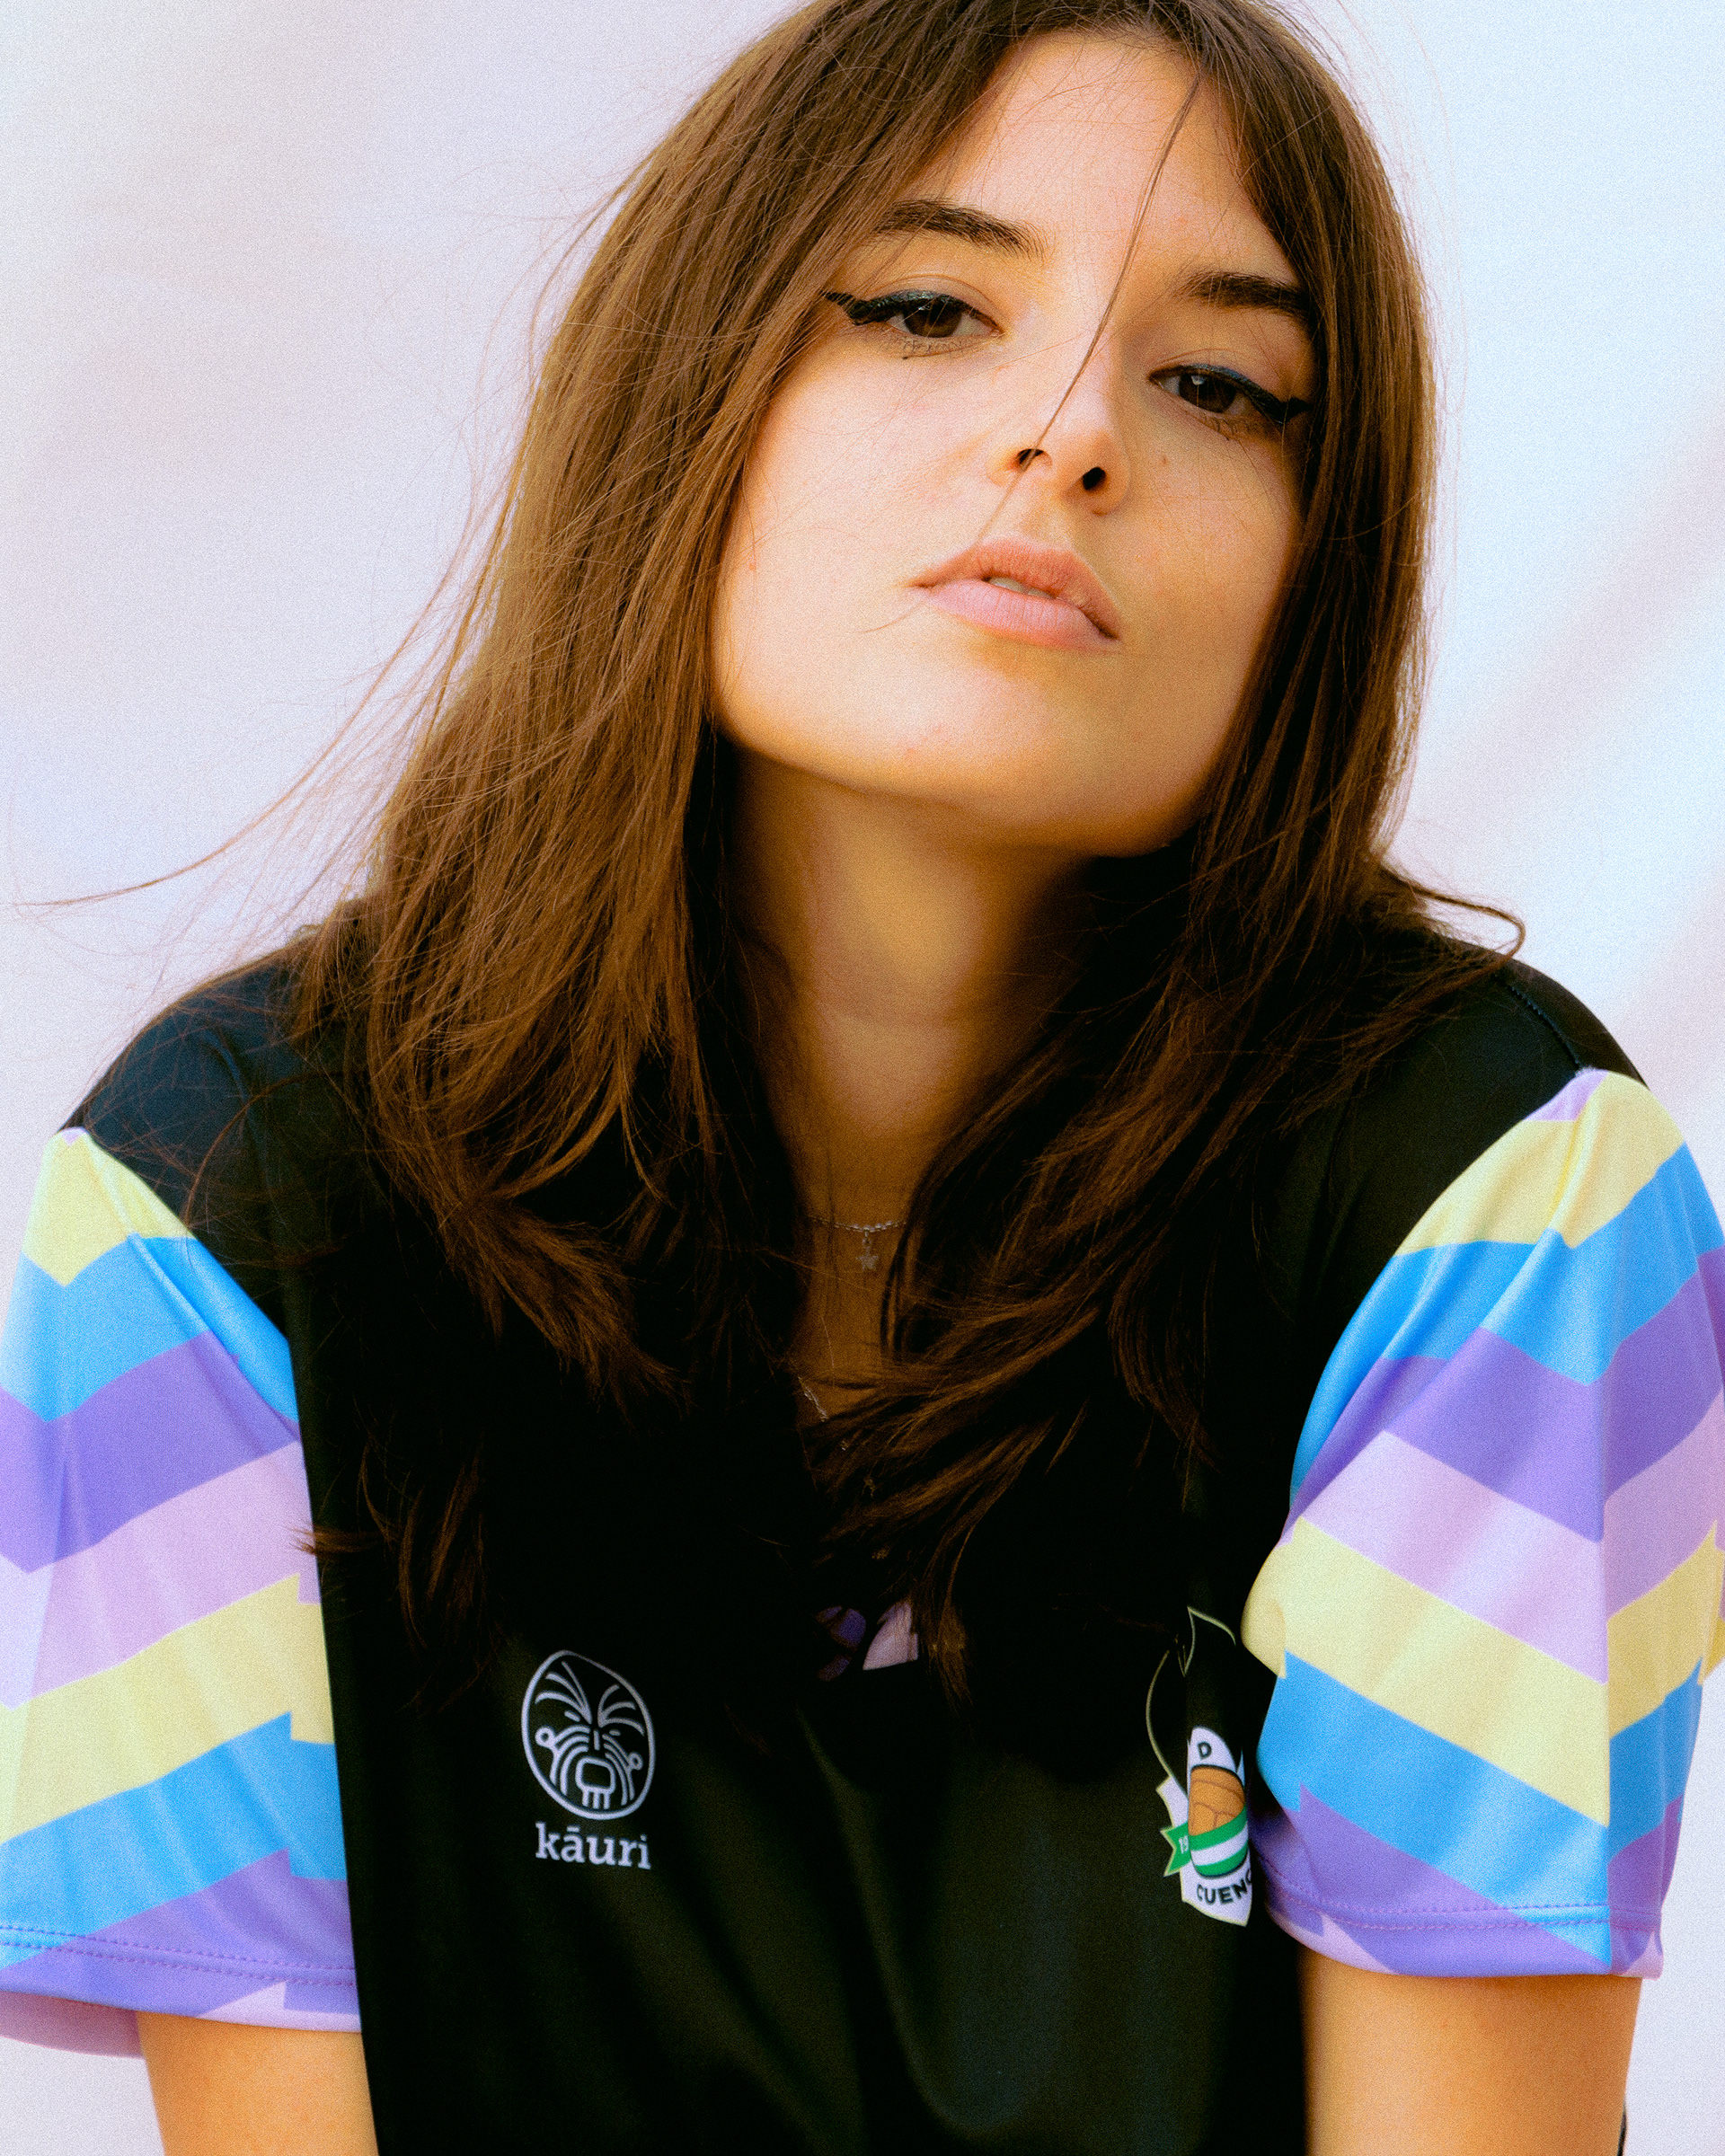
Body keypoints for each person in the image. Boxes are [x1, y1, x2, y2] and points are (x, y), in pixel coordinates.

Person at [2, 1, 1721, 2149]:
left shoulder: (1504, 1204)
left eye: (1219, 383)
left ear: (1320, 568)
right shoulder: (217, 1216)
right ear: (683, 392)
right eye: (925, 308)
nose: (1071, 434)